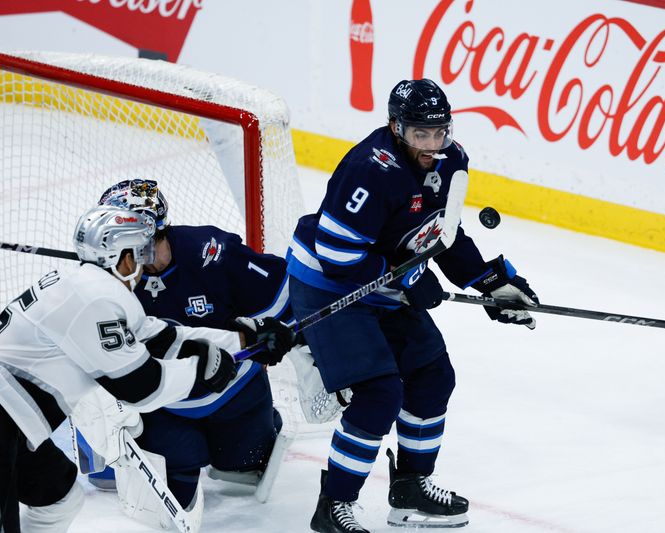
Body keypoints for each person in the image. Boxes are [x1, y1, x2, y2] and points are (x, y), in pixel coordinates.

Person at [286, 78, 539, 532]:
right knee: (379, 394)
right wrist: (410, 275)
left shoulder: (452, 160)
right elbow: (338, 256)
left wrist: (491, 283)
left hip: (383, 282)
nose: (433, 143)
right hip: (327, 286)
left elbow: (443, 234)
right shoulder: (371, 169)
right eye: (421, 133)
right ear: (396, 128)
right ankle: (333, 507)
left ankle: (410, 490)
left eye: (440, 131)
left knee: (432, 373)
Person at [0, 205, 286, 532]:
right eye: (140, 253)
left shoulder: (86, 285)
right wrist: (201, 370)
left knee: (58, 498)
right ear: (122, 259)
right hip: (6, 419)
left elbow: (161, 336)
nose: (144, 264)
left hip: (18, 423)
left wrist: (245, 338)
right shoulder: (98, 298)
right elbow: (141, 388)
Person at [92, 179, 321, 510]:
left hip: (234, 393)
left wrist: (285, 337)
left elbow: (285, 293)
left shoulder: (212, 252)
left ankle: (262, 423)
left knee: (242, 465)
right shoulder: (105, 277)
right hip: (162, 403)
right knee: (176, 470)